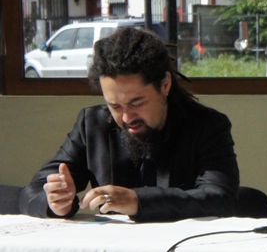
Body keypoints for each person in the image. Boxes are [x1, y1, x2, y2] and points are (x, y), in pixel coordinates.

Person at [19, 27, 240, 222]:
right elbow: (32, 191)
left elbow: (219, 197)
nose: (126, 118)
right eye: (114, 106)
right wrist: (56, 201)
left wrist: (138, 201)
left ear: (164, 85)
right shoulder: (92, 124)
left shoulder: (207, 126)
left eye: (136, 102)